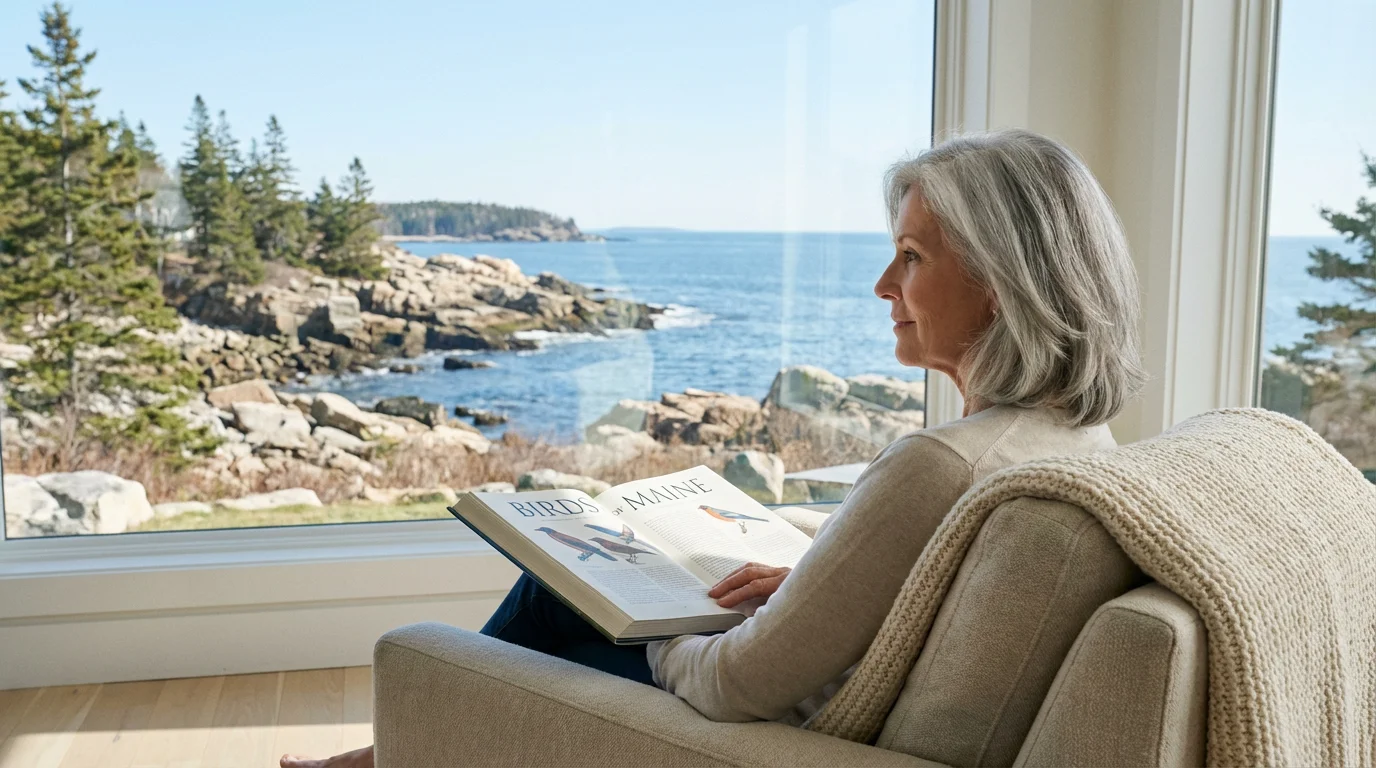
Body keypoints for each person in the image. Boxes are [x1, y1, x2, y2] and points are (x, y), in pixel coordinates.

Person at [282, 128, 1144, 767]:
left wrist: (646, 608)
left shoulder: (942, 464)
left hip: (767, 731)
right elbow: (933, 593)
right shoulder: (1080, 438)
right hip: (833, 686)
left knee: (556, 596)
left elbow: (735, 685)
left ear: (999, 285)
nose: (884, 285)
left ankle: (389, 753)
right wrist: (814, 584)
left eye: (911, 257)